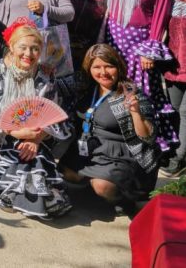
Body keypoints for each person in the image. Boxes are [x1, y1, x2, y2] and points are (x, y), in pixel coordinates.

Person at [0, 21, 72, 219]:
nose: (28, 54)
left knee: (36, 163)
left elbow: (51, 114)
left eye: (35, 49)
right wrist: (14, 132)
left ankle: (28, 199)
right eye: (23, 47)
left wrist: (35, 139)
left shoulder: (44, 75)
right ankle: (19, 195)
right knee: (6, 172)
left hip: (33, 137)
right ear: (11, 47)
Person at [60, 44, 160, 213]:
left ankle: (125, 199)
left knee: (102, 186)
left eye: (109, 66)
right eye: (97, 67)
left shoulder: (130, 92)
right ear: (89, 68)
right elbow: (57, 85)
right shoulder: (87, 87)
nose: (103, 72)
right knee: (63, 172)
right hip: (90, 149)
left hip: (121, 155)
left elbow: (148, 136)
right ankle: (92, 189)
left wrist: (136, 113)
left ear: (118, 67)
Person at [104, 0, 178, 153]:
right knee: (111, 83)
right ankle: (112, 130)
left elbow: (161, 17)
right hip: (112, 37)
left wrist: (149, 51)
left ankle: (143, 140)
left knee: (137, 92)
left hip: (139, 44)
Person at [163, 0, 186, 177]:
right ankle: (171, 150)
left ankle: (179, 157)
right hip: (173, 68)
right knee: (172, 110)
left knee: (185, 113)